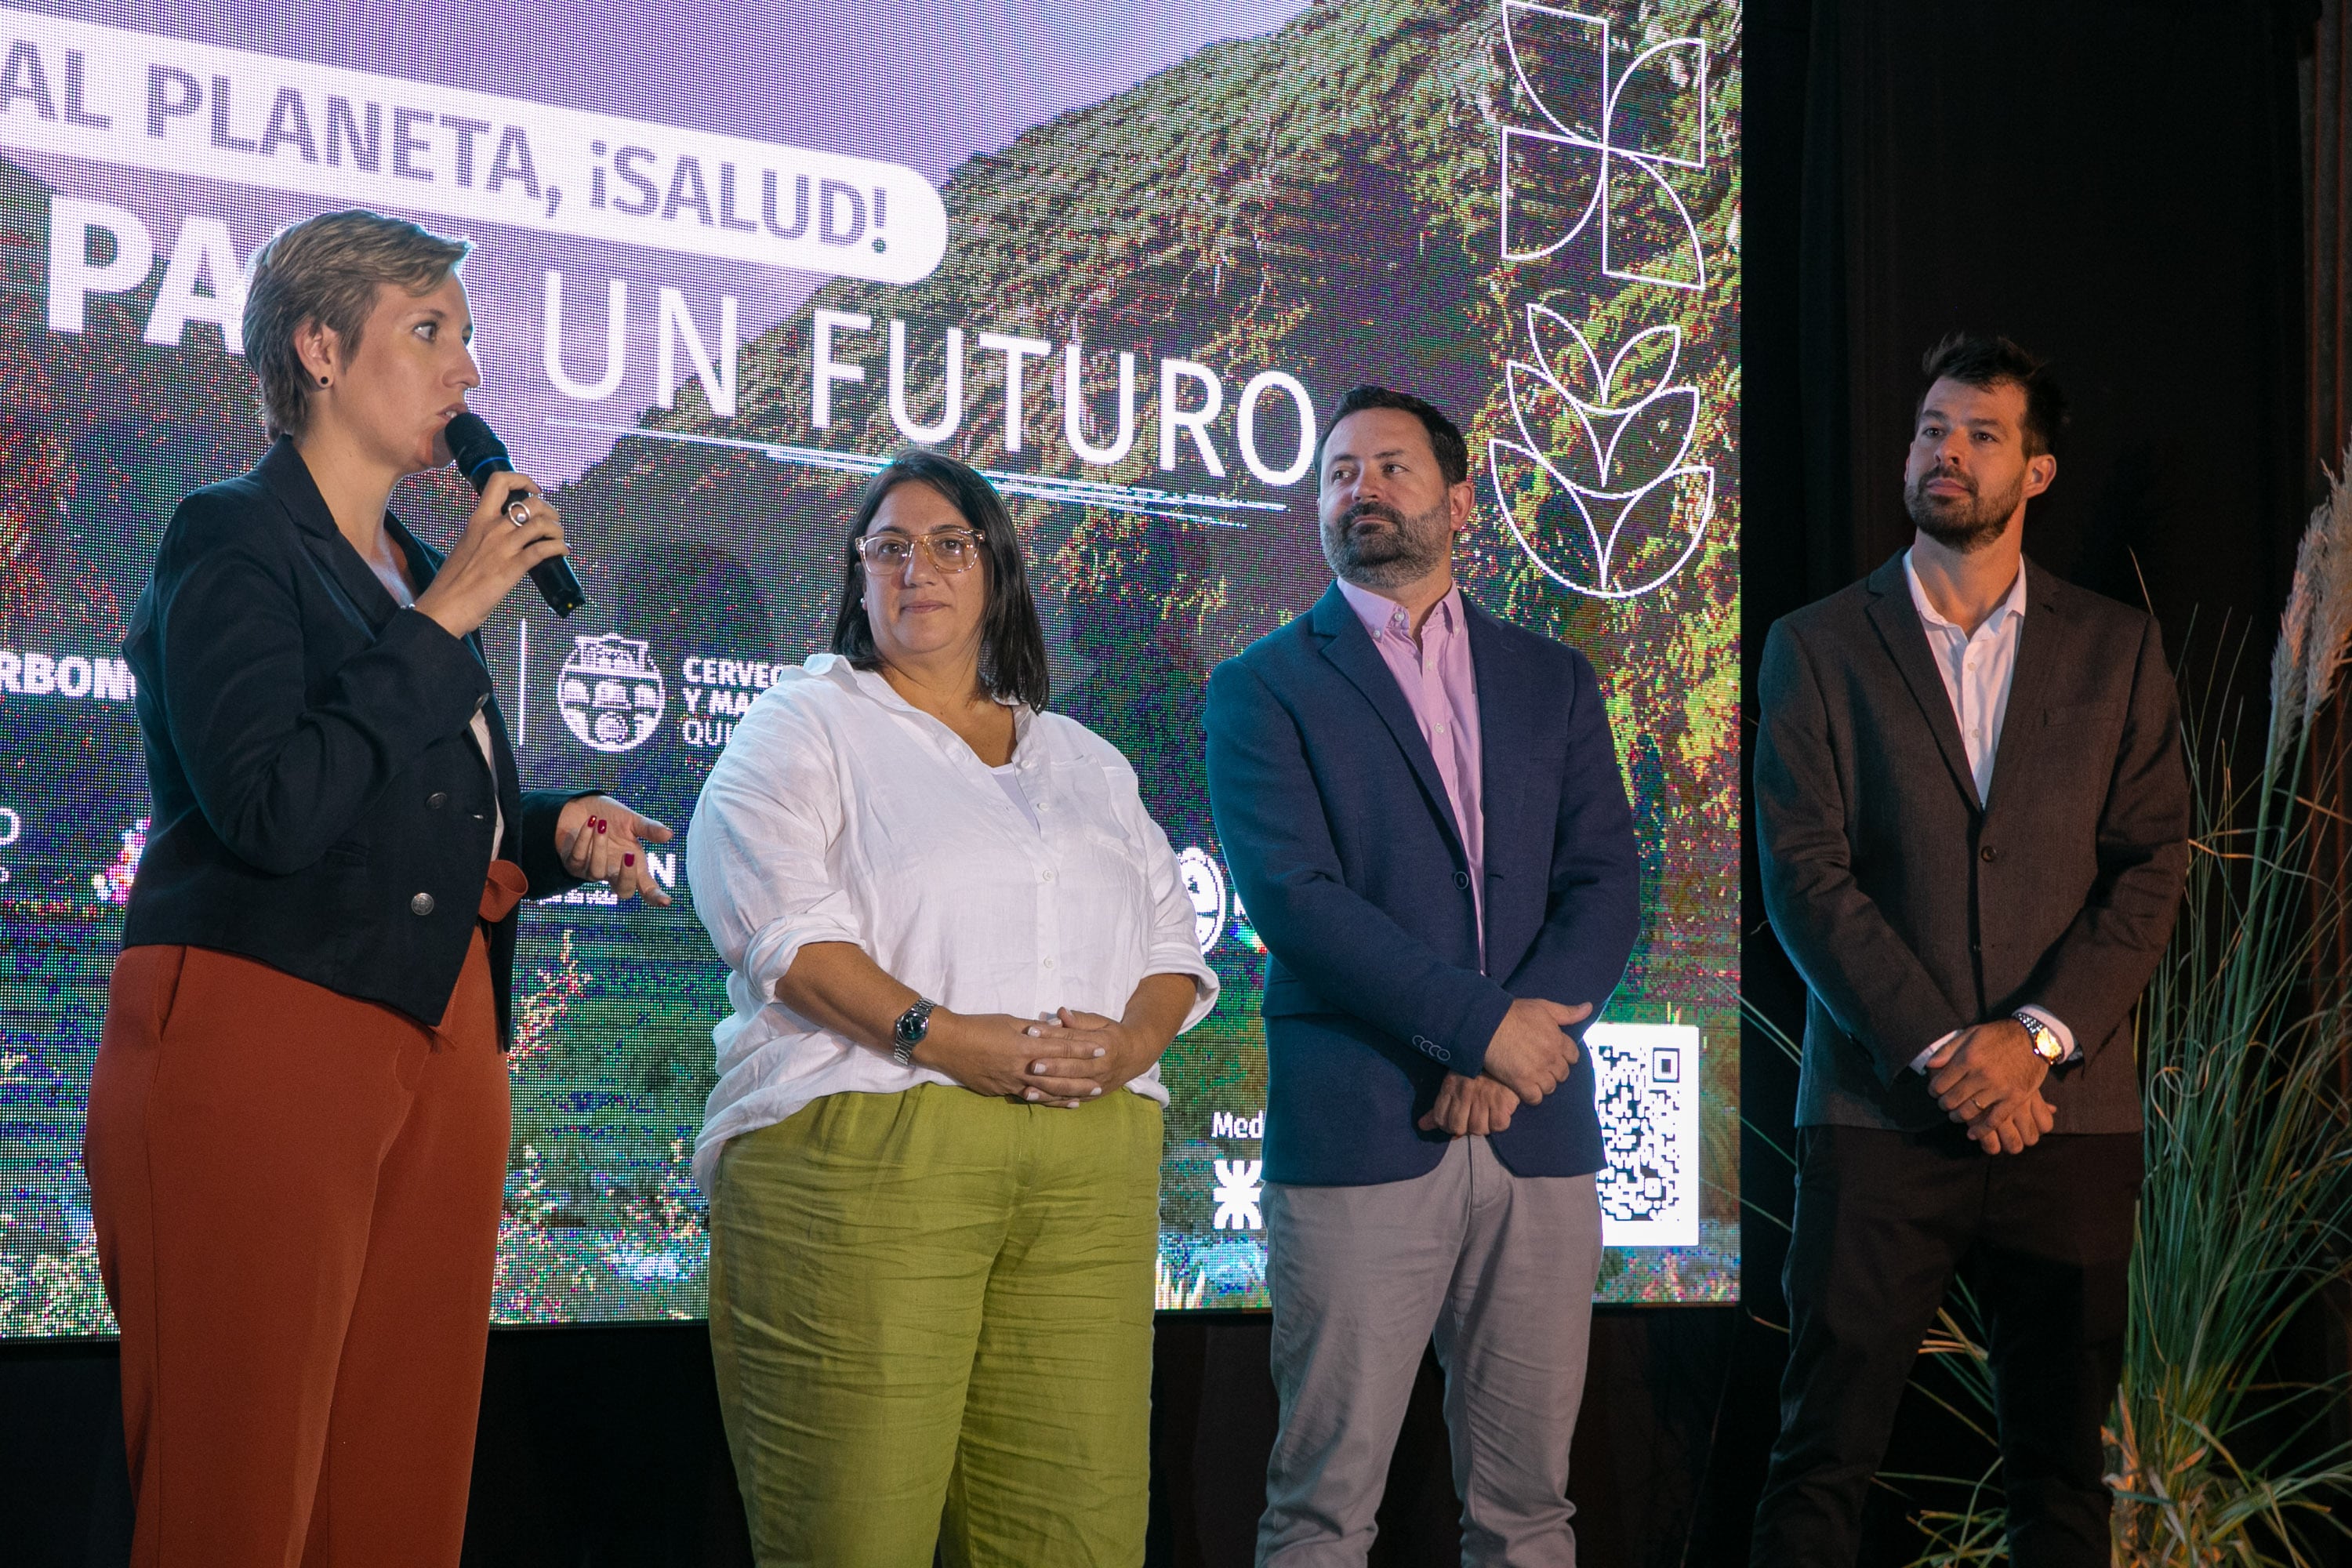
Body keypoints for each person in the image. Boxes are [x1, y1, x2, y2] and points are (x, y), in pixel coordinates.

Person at [81, 209, 673, 1568]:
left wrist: (549, 829)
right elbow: (272, 804)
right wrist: (443, 622)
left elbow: (393, 810)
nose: (467, 373)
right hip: (261, 1036)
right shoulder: (231, 537)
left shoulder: (411, 565)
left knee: (400, 1498)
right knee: (234, 1503)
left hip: (437, 1040)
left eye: (464, 338)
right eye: (431, 332)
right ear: (320, 347)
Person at [685, 449, 1218, 1566]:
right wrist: (944, 1037)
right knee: (854, 1531)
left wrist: (1130, 1044)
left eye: (947, 545)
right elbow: (780, 930)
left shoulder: (1081, 758)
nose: (915, 568)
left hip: (1089, 1169)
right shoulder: (806, 724)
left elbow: (1171, 944)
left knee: (1075, 1531)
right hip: (871, 1144)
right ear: (857, 576)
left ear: (997, 575)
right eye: (888, 547)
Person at [1749, 333, 2190, 1565]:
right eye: (1932, 428)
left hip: (2069, 1118)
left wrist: (2037, 1041)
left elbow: (2154, 861)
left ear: (2036, 474)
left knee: (2063, 1475)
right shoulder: (1819, 644)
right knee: (1821, 1458)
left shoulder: (2116, 648)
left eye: (1981, 433)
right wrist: (1952, 1051)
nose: (1945, 451)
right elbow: (1806, 876)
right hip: (1880, 1112)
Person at [1203, 384, 1640, 1566]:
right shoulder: (1263, 687)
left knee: (1529, 1512)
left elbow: (1605, 883)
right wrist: (1481, 1033)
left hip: (1537, 1133)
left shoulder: (1552, 678)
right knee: (1321, 1511)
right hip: (1360, 1132)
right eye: (1341, 473)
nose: (1365, 490)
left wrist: (1508, 1056)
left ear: (1456, 499)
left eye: (1392, 467)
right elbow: (1299, 905)